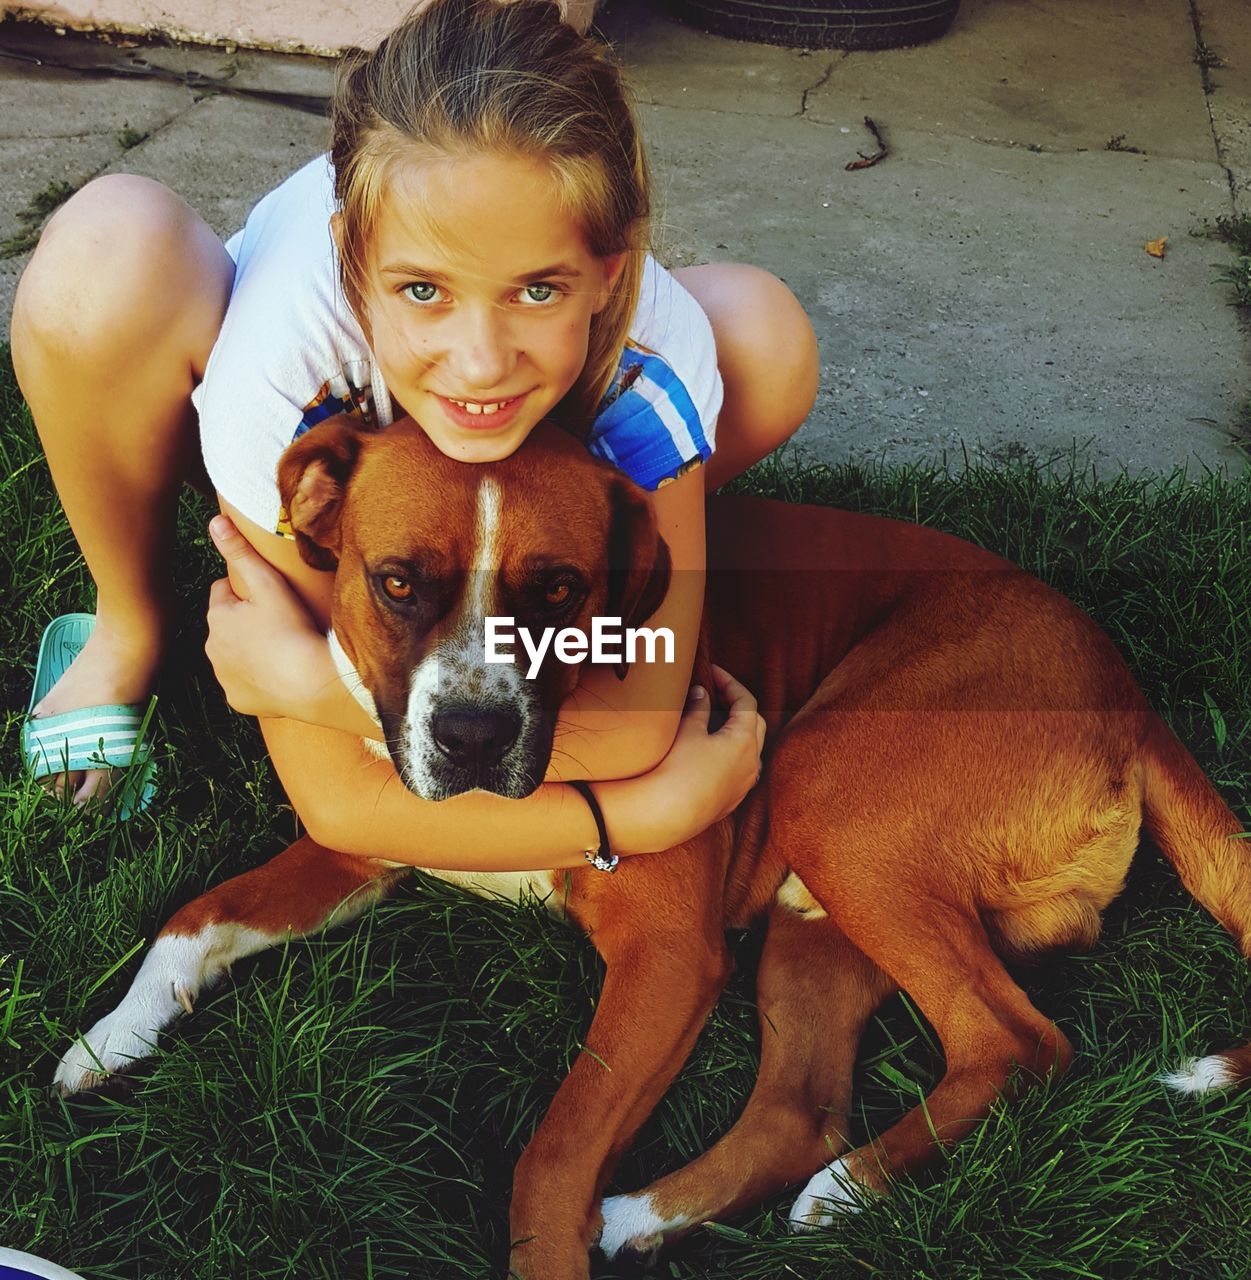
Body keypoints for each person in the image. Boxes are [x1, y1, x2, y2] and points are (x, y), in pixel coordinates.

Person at [11, 0, 818, 871]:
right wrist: (647, 814)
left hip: (541, 444)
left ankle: (561, 560)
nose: (479, 365)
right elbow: (338, 800)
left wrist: (303, 680)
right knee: (108, 251)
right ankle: (128, 623)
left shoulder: (651, 361)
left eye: (537, 289)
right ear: (355, 267)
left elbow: (643, 723)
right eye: (423, 290)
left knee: (765, 338)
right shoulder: (279, 391)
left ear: (607, 273)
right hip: (279, 407)